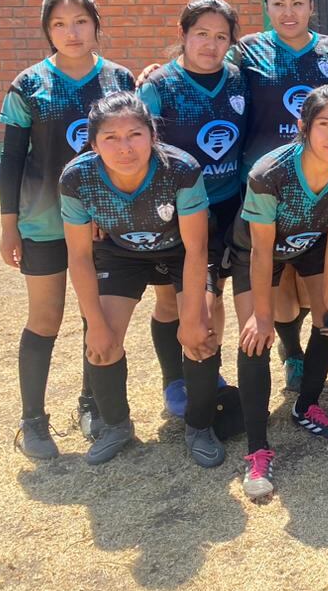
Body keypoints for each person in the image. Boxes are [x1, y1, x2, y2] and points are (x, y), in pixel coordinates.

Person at [3, 0, 134, 459]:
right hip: (44, 223)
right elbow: (12, 158)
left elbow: (133, 152)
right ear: (47, 31)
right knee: (44, 318)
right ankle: (33, 421)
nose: (71, 32)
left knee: (92, 316)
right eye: (59, 24)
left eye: (80, 21)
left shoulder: (120, 79)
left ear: (96, 23)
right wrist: (8, 225)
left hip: (102, 224)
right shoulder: (29, 84)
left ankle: (93, 404)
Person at [228, 85, 328, 498]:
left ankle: (306, 404)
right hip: (258, 251)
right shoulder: (269, 172)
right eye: (325, 125)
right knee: (254, 338)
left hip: (311, 241)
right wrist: (260, 313)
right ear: (303, 127)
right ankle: (258, 450)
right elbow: (260, 250)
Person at [59, 92, 216, 467]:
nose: (125, 147)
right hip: (120, 253)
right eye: (110, 137)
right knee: (101, 343)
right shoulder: (77, 177)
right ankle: (116, 426)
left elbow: (197, 249)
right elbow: (79, 256)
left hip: (179, 252)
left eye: (135, 134)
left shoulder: (180, 169)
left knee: (201, 335)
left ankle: (200, 426)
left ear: (152, 136)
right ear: (94, 143)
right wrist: (94, 324)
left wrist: (193, 317)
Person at [234, 0, 328, 393]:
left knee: (317, 275)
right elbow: (202, 66)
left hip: (321, 182)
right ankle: (292, 354)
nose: (288, 12)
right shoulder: (246, 50)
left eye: (297, 3)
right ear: (266, 8)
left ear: (312, 8)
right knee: (278, 277)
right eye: (279, 4)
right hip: (267, 183)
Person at [138, 0, 246, 418]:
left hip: (224, 205)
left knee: (212, 297)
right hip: (173, 212)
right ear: (182, 35)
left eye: (221, 36)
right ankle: (174, 379)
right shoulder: (159, 85)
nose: (211, 44)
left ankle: (207, 370)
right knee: (171, 301)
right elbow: (138, 150)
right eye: (201, 33)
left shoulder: (239, 79)